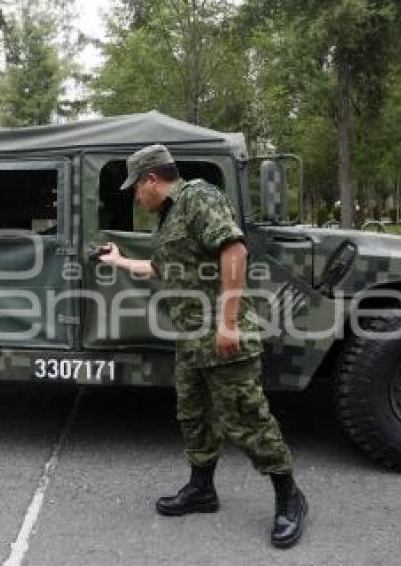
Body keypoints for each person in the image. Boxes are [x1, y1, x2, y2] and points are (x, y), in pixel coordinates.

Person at [98, 144, 308, 548]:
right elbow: (160, 269)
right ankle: (202, 489)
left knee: (247, 419)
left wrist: (228, 323)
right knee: (193, 417)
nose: (135, 198)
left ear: (151, 180)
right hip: (191, 340)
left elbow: (235, 250)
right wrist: (120, 260)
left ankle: (289, 496)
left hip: (222, 336)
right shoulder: (167, 218)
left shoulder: (198, 197)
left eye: (135, 190)